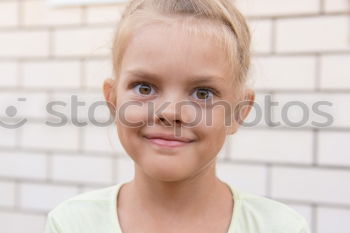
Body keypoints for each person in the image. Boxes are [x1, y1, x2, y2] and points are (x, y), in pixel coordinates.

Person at [44, 0, 311, 232]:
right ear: (113, 100)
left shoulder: (281, 227)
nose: (170, 113)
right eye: (145, 88)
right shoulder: (71, 224)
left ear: (238, 113)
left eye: (203, 93)